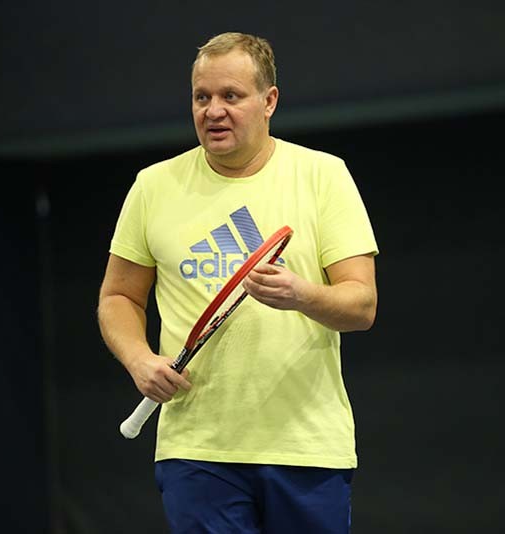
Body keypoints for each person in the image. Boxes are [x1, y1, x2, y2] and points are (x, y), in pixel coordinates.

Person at [97, 32, 377, 533]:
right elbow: (118, 296)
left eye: (231, 96)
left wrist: (300, 294)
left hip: (306, 449)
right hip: (197, 452)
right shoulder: (153, 186)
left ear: (269, 101)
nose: (213, 111)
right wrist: (139, 359)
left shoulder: (324, 176)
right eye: (201, 97)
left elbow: (361, 305)